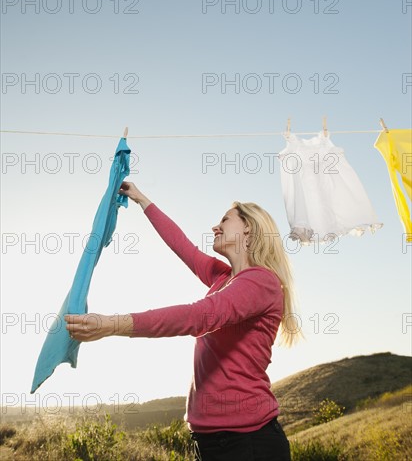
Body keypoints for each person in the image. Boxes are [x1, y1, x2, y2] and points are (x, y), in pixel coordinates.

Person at [65, 182, 304, 461]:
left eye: (225, 219)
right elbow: (181, 245)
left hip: (248, 443)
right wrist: (142, 200)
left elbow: (199, 316)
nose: (216, 227)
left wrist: (113, 325)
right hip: (211, 442)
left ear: (248, 229)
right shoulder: (222, 279)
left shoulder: (262, 282)